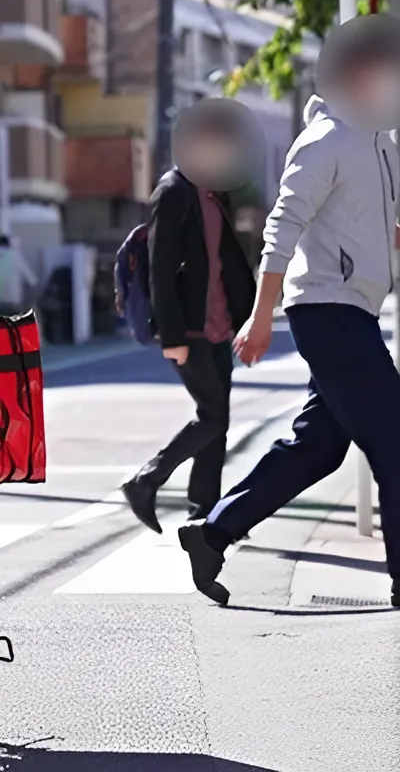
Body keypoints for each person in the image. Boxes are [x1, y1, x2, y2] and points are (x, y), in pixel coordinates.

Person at [177, 38, 400, 608]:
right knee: (399, 440)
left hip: (352, 310)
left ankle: (212, 532)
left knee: (318, 448)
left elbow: (366, 215)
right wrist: (260, 316)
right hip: (326, 309)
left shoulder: (378, 142)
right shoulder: (324, 140)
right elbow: (284, 224)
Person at [121, 110, 256, 532]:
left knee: (218, 418)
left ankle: (205, 512)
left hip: (218, 325)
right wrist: (172, 336)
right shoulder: (173, 191)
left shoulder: (215, 192)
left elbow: (222, 260)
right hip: (190, 328)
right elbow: (159, 267)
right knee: (212, 416)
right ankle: (147, 479)